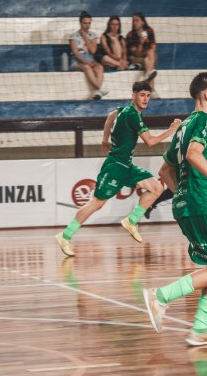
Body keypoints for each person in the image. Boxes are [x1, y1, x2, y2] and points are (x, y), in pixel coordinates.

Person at [143, 72, 207, 346]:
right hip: (199, 203)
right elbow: (195, 154)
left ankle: (200, 329)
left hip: (186, 204)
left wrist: (179, 195)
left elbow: (165, 169)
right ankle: (160, 296)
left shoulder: (185, 126)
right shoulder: (206, 122)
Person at [54, 81, 181, 257]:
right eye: (142, 95)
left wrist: (104, 139)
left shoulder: (123, 110)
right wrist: (171, 131)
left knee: (157, 187)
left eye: (148, 96)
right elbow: (150, 141)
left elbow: (110, 116)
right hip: (115, 166)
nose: (145, 99)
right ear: (133, 96)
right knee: (97, 203)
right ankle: (65, 235)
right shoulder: (133, 116)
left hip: (126, 166)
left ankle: (131, 220)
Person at [145, 121, 207, 231]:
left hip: (187, 167)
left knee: (182, 190)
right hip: (187, 167)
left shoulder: (201, 133)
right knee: (185, 189)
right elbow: (194, 153)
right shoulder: (200, 131)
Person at [70, 11, 108, 100]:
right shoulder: (73, 36)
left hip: (90, 59)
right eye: (85, 23)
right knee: (87, 67)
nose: (87, 25)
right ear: (80, 23)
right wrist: (85, 62)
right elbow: (75, 53)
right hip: (77, 61)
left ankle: (97, 92)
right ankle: (100, 88)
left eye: (89, 23)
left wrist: (85, 37)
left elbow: (93, 51)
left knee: (100, 67)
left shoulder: (93, 35)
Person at [125, 12, 158, 83]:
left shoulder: (149, 31)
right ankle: (152, 89)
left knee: (150, 57)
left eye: (137, 20)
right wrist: (141, 43)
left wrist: (147, 53)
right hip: (136, 59)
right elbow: (135, 54)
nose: (134, 23)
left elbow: (153, 48)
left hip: (149, 56)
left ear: (143, 22)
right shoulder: (130, 35)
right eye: (133, 21)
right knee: (148, 62)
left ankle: (148, 74)